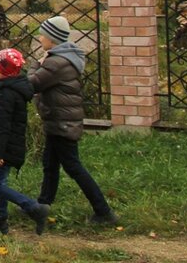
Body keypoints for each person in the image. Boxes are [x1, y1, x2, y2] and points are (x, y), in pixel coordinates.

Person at [28, 16, 119, 227]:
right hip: (59, 120)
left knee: (73, 167)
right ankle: (42, 206)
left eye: (43, 34)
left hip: (62, 122)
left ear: (52, 38)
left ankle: (104, 212)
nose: (40, 38)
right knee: (50, 164)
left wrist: (33, 64)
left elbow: (33, 83)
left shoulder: (56, 62)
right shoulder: (63, 57)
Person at [0, 48, 49, 235]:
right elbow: (4, 111)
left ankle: (34, 208)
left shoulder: (6, 93)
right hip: (12, 142)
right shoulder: (11, 88)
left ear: (1, 69)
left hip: (5, 145)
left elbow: (2, 125)